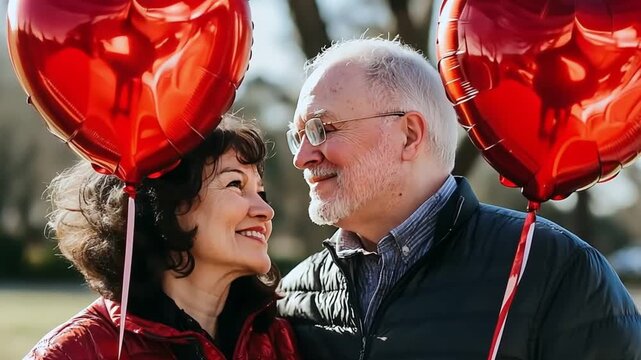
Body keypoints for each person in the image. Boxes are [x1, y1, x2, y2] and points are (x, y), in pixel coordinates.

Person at [277, 37, 641, 359]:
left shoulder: (553, 269)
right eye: (299, 136)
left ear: (408, 135)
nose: (301, 156)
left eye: (322, 129)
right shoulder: (292, 297)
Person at [27, 115, 299, 359]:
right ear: (167, 204)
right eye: (236, 184)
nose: (266, 210)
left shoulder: (280, 341)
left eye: (261, 192)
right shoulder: (73, 353)